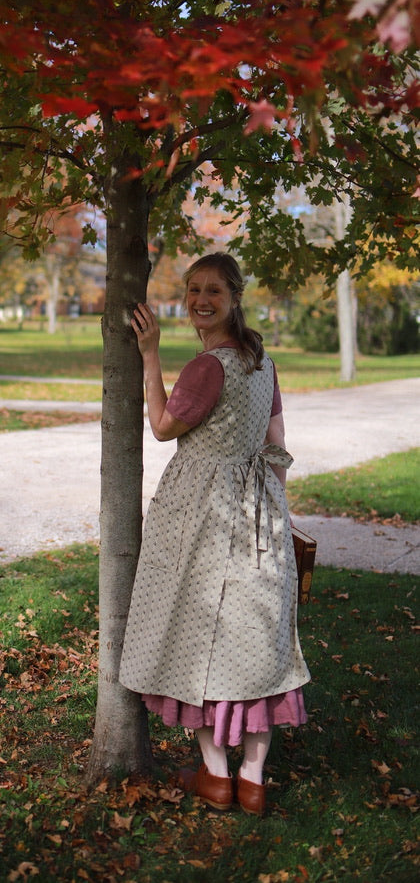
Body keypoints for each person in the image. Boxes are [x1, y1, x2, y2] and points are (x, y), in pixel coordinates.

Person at [119, 252, 310, 816]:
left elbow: (162, 427)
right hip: (259, 508)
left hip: (201, 511)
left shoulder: (208, 368)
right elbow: (276, 444)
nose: (201, 300)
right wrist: (273, 511)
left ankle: (217, 775)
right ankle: (252, 779)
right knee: (257, 635)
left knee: (192, 629)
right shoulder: (263, 362)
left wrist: (149, 353)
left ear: (234, 298)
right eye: (194, 289)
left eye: (213, 291)